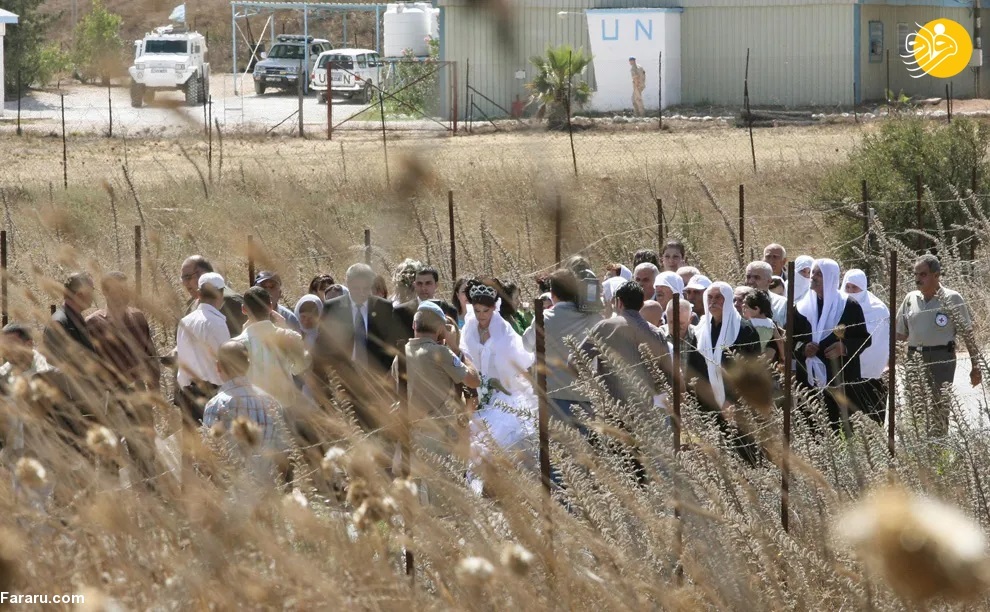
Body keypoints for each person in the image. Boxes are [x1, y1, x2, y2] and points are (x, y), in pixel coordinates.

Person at [578, 281, 678, 483]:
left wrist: (593, 386)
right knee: (641, 470)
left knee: (616, 468)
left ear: (618, 302)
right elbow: (667, 376)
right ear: (641, 304)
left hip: (612, 410)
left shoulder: (605, 326)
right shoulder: (656, 332)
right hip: (646, 412)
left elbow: (576, 360)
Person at [459, 280, 538, 491]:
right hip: (477, 391)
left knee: (500, 435)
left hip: (503, 391)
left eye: (485, 310)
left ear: (494, 309)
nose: (481, 315)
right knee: (475, 437)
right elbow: (465, 356)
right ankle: (484, 484)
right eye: (477, 310)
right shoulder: (469, 328)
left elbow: (518, 362)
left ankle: (502, 484)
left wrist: (497, 383)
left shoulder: (503, 331)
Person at [896, 254, 981, 439]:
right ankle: (919, 447)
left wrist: (976, 365)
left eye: (923, 274)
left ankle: (938, 447)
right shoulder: (910, 298)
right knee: (916, 404)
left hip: (942, 359)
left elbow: (967, 333)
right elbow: (900, 334)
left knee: (939, 406)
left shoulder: (952, 298)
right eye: (915, 274)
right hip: (915, 358)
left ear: (936, 275)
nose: (918, 279)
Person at [314, 263, 402, 432]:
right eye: (356, 289)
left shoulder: (383, 308)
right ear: (347, 283)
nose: (361, 293)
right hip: (344, 384)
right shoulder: (332, 308)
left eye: (365, 289)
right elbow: (323, 347)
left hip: (376, 385)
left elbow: (390, 347)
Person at [394, 301, 481, 468]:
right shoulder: (441, 352)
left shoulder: (401, 353)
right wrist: (455, 348)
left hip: (411, 435)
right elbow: (473, 380)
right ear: (441, 329)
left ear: (414, 325)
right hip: (440, 438)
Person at [686, 282, 763, 465]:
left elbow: (749, 370)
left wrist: (731, 399)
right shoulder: (702, 329)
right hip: (708, 403)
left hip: (737, 404)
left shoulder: (743, 329)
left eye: (718, 297)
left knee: (743, 452)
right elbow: (696, 366)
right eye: (710, 297)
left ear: (727, 300)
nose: (713, 302)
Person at [793, 259, 872, 435]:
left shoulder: (848, 306)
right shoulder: (800, 308)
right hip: (809, 382)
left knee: (844, 432)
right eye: (813, 272)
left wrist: (843, 347)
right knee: (813, 431)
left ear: (830, 277)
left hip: (841, 379)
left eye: (819, 274)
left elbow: (864, 339)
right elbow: (790, 341)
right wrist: (803, 349)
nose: (813, 277)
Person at [523, 269, 602, 439]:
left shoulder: (544, 318)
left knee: (557, 451)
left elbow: (526, 344)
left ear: (552, 293)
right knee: (587, 451)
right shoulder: (591, 316)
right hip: (584, 393)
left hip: (551, 393)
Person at [233, 287, 310, 412]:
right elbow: (299, 368)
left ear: (243, 309)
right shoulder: (289, 337)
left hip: (252, 411)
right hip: (284, 409)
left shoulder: (236, 344)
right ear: (270, 306)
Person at [86, 272, 160, 391]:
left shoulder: (138, 318)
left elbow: (150, 357)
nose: (124, 294)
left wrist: (155, 393)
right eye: (119, 289)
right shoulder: (93, 323)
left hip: (139, 395)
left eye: (125, 289)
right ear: (105, 292)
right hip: (110, 396)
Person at [176, 272, 231, 423]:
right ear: (220, 294)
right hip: (213, 394)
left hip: (188, 394)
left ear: (199, 294)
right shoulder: (216, 322)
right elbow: (225, 360)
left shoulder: (185, 322)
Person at [843, 269, 890, 425]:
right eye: (847, 287)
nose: (850, 291)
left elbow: (877, 341)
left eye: (854, 288)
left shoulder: (877, 309)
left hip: (872, 374)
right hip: (847, 371)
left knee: (873, 416)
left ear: (863, 288)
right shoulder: (839, 305)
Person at [180, 256, 246, 336]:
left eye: (188, 277)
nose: (185, 283)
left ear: (203, 275)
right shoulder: (192, 306)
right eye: (183, 279)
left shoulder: (231, 302)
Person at [43, 272, 96, 367]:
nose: (93, 295)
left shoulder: (76, 319)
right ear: (80, 294)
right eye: (91, 290)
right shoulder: (58, 323)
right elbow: (53, 364)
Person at [740, 289, 785, 364]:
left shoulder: (750, 323)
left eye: (746, 307)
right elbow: (779, 341)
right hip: (765, 356)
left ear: (756, 309)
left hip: (751, 356)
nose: (743, 310)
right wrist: (783, 356)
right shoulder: (771, 323)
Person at [744, 261, 787, 328]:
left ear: (769, 281)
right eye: (748, 277)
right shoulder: (737, 302)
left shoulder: (782, 304)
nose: (750, 281)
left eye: (756, 277)